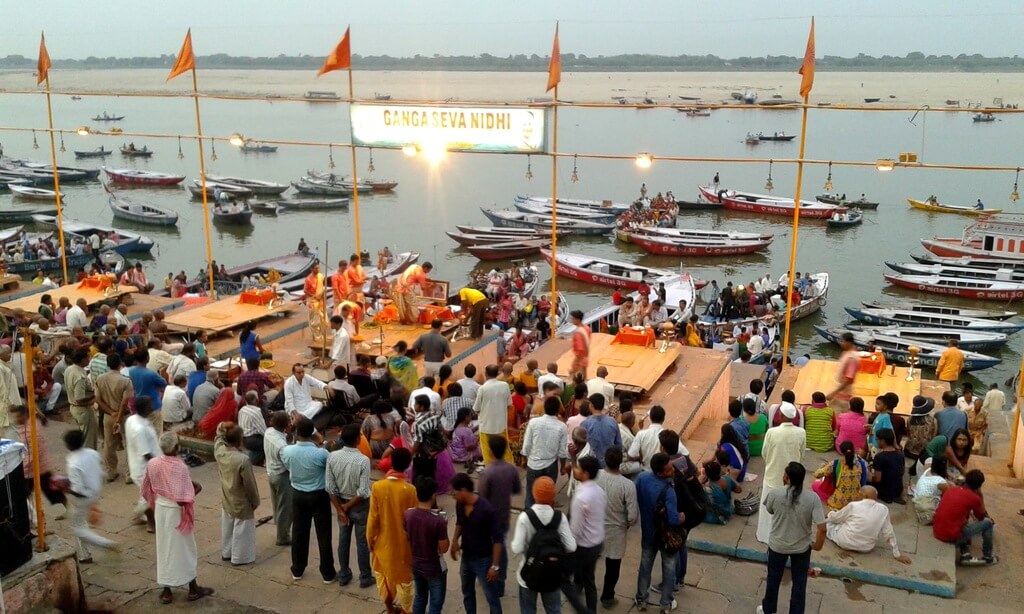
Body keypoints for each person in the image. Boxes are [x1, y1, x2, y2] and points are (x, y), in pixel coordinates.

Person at [141, 432, 213, 604]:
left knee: (164, 548)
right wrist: (196, 489)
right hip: (175, 512)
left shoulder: (153, 463)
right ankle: (193, 588)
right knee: (186, 548)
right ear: (175, 448)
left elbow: (146, 488)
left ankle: (167, 591)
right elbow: (182, 499)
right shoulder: (179, 466)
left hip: (161, 509)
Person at [758, 462, 826, 614]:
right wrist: (817, 546)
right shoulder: (812, 498)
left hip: (777, 546)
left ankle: (768, 609)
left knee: (773, 580)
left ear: (786, 477)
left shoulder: (775, 494)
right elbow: (822, 528)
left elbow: (769, 510)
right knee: (799, 584)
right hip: (802, 548)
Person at [281, 417, 336, 583]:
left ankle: (297, 568)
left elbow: (287, 465)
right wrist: (322, 443)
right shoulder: (321, 453)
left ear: (297, 433)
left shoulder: (287, 451)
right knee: (324, 534)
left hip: (298, 493)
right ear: (313, 433)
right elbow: (329, 466)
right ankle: (327, 572)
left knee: (299, 532)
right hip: (318, 495)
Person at [511, 476, 576, 614]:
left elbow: (516, 547)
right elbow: (571, 546)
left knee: (528, 609)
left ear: (534, 494)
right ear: (553, 495)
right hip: (552, 573)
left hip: (529, 572)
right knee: (553, 610)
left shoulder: (525, 517)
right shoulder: (560, 518)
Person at [368, 447, 418, 612]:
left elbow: (373, 518)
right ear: (407, 466)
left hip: (383, 542)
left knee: (384, 577)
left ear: (390, 462)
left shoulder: (378, 487)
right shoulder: (410, 490)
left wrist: (370, 539)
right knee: (405, 582)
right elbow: (413, 521)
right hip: (404, 545)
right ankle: (405, 610)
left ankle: (390, 608)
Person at [326, 423, 374, 588]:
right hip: (359, 506)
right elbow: (362, 491)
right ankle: (365, 577)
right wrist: (346, 508)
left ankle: (344, 573)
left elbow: (329, 487)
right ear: (357, 440)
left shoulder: (332, 457)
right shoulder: (363, 460)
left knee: (343, 539)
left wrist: (340, 509)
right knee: (362, 542)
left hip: (340, 502)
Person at [450, 472, 504, 614]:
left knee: (491, 596)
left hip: (483, 560)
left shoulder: (486, 509)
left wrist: (495, 566)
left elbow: (498, 540)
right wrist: (455, 541)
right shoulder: (460, 503)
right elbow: (460, 522)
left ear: (463, 490)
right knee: (467, 593)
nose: (452, 495)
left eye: (454, 492)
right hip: (466, 558)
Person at [634, 453, 682, 613]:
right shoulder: (669, 492)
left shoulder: (641, 479)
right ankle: (666, 604)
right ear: (661, 473)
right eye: (669, 469)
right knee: (669, 569)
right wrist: (681, 517)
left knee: (645, 566)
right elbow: (673, 520)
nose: (673, 470)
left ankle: (641, 599)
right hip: (666, 537)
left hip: (648, 532)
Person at [63, 429, 118, 563]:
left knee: (78, 529)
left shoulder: (72, 462)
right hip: (95, 492)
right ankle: (83, 555)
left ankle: (104, 543)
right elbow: (101, 473)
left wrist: (64, 488)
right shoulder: (92, 453)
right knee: (80, 523)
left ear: (68, 445)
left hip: (82, 498)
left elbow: (78, 489)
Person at [757, 402, 806, 544]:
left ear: (781, 415)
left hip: (772, 475)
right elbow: (802, 455)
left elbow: (764, 453)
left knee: (768, 508)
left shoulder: (772, 432)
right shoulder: (801, 432)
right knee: (790, 508)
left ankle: (765, 536)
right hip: (793, 478)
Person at [478, 436, 521, 595]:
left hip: (488, 518)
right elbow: (516, 489)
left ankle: (488, 578)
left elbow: (481, 498)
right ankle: (500, 580)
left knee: (488, 548)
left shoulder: (487, 472)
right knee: (501, 546)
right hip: (503, 515)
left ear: (490, 451)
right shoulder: (511, 469)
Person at [825, 485, 911, 563]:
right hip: (866, 547)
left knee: (829, 524)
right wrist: (897, 555)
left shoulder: (853, 506)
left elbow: (835, 518)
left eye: (859, 494)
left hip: (845, 542)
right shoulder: (883, 509)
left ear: (864, 496)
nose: (857, 495)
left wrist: (830, 514)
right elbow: (889, 532)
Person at [214, 423, 260, 566]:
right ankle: (240, 557)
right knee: (242, 530)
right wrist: (255, 501)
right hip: (241, 500)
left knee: (227, 525)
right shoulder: (242, 460)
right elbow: (249, 484)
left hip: (226, 496)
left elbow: (218, 437)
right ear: (240, 440)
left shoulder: (220, 451)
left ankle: (227, 552)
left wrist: (222, 425)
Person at [933, 469, 997, 565]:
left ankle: (966, 554)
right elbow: (981, 517)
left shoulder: (952, 489)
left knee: (963, 522)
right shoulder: (974, 498)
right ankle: (988, 557)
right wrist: (980, 495)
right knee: (988, 523)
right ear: (979, 486)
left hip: (937, 531)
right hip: (950, 537)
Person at [405, 477, 450, 614]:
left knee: (420, 597)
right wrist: (444, 528)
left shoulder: (408, 514)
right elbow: (444, 548)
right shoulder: (438, 522)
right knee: (435, 605)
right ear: (433, 495)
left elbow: (407, 537)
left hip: (416, 564)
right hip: (434, 567)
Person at [521, 395, 570, 507]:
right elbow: (562, 452)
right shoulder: (561, 427)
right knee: (547, 496)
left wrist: (524, 459)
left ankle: (529, 516)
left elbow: (527, 444)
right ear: (558, 410)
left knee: (530, 494)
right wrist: (562, 467)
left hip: (533, 464)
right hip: (551, 466)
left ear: (545, 408)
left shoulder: (533, 423)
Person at [94, 353, 132, 481]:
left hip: (108, 416)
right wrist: (119, 417)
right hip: (124, 416)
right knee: (129, 445)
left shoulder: (100, 379)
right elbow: (125, 402)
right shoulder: (125, 380)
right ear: (120, 364)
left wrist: (111, 413)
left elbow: (98, 399)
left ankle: (111, 471)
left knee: (108, 444)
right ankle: (129, 474)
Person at [125, 396, 160, 531]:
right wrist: (161, 466)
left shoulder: (133, 420)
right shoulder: (139, 428)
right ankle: (151, 524)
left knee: (146, 495)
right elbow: (146, 453)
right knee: (148, 497)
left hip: (142, 465)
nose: (152, 408)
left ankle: (139, 515)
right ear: (143, 408)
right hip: (144, 468)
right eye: (149, 405)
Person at [474, 364, 514, 464]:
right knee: (505, 449)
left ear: (486, 374)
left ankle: (490, 469)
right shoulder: (504, 386)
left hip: (485, 425)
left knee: (487, 451)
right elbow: (509, 404)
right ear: (498, 373)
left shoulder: (482, 388)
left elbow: (476, 408)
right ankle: (510, 467)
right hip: (500, 425)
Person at [263, 411, 292, 546]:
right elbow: (289, 464)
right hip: (281, 476)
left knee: (277, 505)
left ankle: (280, 528)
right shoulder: (282, 447)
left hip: (271, 473)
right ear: (286, 425)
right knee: (285, 508)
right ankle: (283, 536)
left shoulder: (269, 432)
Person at [129, 350, 168, 435]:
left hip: (139, 406)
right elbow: (164, 383)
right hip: (153, 407)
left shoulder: (130, 371)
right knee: (157, 434)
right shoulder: (151, 374)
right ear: (147, 359)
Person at [581, 393, 621, 470]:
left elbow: (582, 446)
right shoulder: (612, 421)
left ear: (591, 405)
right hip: (609, 463)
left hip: (591, 464)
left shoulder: (585, 423)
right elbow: (618, 444)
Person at [870, 428, 906, 504]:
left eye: (877, 440)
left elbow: (878, 479)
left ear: (882, 441)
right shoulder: (900, 454)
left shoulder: (879, 457)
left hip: (884, 492)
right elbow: (902, 472)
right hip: (898, 490)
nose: (877, 442)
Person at [913, 455, 951, 525]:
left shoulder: (928, 470)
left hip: (917, 499)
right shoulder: (941, 482)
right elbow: (947, 494)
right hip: (927, 507)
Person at [628, 404, 667, 470]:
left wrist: (640, 459)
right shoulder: (668, 435)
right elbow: (685, 452)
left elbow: (631, 455)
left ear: (650, 418)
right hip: (662, 472)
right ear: (663, 418)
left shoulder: (641, 434)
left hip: (645, 470)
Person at [826, 332, 859, 412]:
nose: (841, 343)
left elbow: (848, 379)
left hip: (843, 394)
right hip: (840, 390)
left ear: (848, 342)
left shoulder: (852, 358)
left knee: (837, 414)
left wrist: (834, 392)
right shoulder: (847, 353)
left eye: (842, 341)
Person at [703, 460, 741, 525]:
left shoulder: (708, 487)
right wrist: (730, 477)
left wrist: (699, 482)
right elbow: (739, 490)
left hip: (716, 516)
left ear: (707, 474)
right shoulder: (727, 478)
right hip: (728, 509)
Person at [237, 391, 266, 464]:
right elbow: (263, 431)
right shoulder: (256, 411)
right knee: (268, 443)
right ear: (256, 400)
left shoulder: (242, 409)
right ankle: (252, 462)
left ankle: (253, 461)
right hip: (252, 440)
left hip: (243, 438)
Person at [569, 309, 591, 379]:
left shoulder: (578, 333)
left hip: (580, 359)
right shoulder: (587, 328)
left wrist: (575, 364)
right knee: (584, 377)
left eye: (573, 318)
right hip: (586, 356)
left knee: (576, 379)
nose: (572, 320)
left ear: (577, 319)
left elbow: (580, 349)